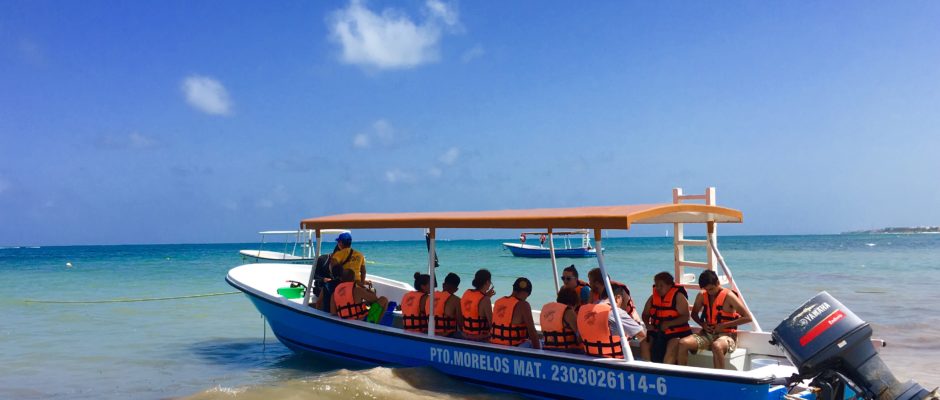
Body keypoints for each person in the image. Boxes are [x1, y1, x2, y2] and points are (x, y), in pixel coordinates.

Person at [677, 270, 752, 369]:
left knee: (716, 346)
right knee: (683, 343)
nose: (709, 292)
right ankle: (683, 377)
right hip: (707, 335)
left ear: (717, 283)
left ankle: (720, 379)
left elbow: (748, 318)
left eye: (711, 289)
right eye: (707, 290)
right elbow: (694, 314)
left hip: (727, 336)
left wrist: (724, 325)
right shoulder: (702, 295)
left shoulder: (729, 296)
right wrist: (703, 324)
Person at [578, 285, 646, 358]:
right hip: (612, 361)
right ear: (618, 298)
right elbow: (642, 335)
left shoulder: (583, 310)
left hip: (588, 358)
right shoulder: (616, 312)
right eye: (622, 301)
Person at [640, 272, 691, 364]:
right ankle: (649, 369)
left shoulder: (679, 297)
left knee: (673, 344)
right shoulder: (652, 298)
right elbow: (645, 314)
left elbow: (686, 317)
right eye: (656, 285)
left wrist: (669, 324)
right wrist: (647, 324)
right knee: (644, 344)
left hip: (676, 334)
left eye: (661, 285)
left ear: (669, 285)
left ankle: (666, 371)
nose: (658, 288)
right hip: (657, 332)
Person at [490, 277, 541, 349]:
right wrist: (538, 353)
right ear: (526, 293)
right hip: (513, 348)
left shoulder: (498, 302)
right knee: (538, 343)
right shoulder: (523, 305)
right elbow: (532, 332)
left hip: (494, 345)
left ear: (514, 289)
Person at [540, 287, 582, 353]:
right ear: (574, 302)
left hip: (547, 349)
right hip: (567, 351)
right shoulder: (568, 312)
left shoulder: (546, 310)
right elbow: (580, 337)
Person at [461, 269, 495, 341]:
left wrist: (485, 296)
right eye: (490, 282)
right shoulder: (485, 300)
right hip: (480, 337)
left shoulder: (467, 292)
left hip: (465, 334)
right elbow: (491, 323)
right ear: (487, 282)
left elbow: (475, 303)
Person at [427, 272, 463, 337]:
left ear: (443, 285)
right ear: (456, 289)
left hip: (430, 333)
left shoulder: (430, 297)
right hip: (447, 336)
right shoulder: (456, 300)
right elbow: (461, 324)